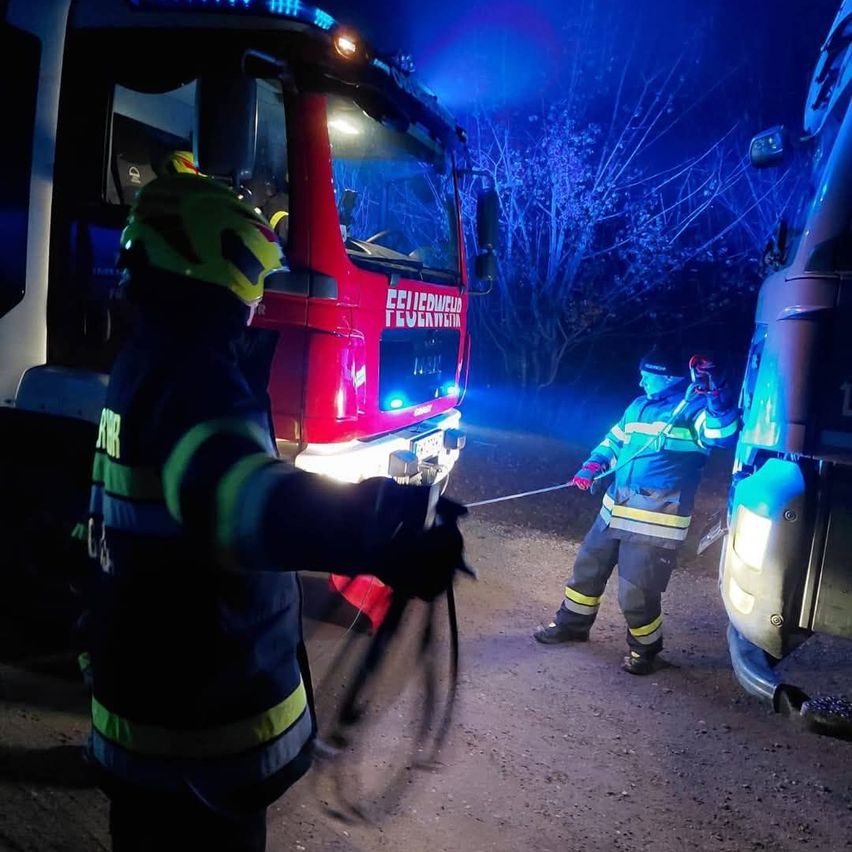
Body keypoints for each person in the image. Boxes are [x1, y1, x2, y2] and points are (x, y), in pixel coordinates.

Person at [84, 173, 468, 851]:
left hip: (151, 716)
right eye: (251, 280)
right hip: (196, 749)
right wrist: (382, 527)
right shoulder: (193, 378)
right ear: (213, 267)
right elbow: (239, 500)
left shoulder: (146, 358)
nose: (258, 301)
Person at [533, 345, 739, 675]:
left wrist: (716, 391)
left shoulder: (694, 409)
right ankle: (572, 625)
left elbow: (724, 434)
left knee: (636, 593)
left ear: (669, 379)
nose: (641, 382)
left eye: (647, 376)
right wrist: (593, 465)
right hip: (613, 511)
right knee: (586, 572)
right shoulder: (639, 406)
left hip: (654, 522)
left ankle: (645, 650)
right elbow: (613, 442)